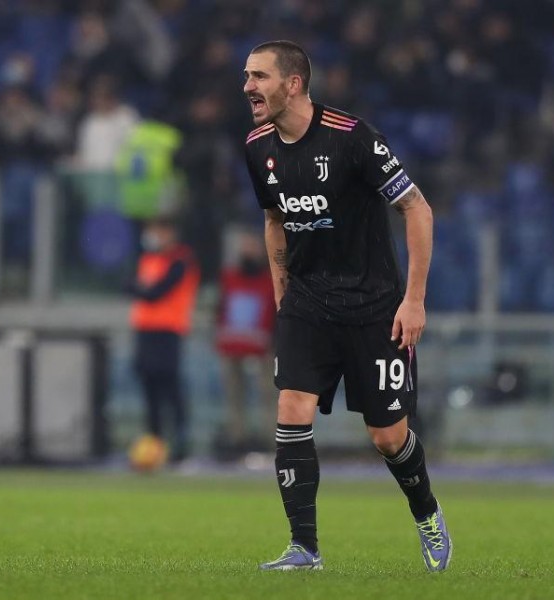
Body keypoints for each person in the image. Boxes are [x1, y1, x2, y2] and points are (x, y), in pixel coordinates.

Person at [243, 40, 451, 572]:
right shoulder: (258, 146)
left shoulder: (352, 137)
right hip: (308, 304)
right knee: (291, 410)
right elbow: (273, 221)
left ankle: (426, 512)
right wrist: (281, 295)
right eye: (247, 76)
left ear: (293, 83)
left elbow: (417, 208)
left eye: (260, 77)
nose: (248, 87)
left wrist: (415, 300)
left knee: (387, 436)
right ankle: (304, 548)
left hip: (375, 307)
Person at [129, 216, 200, 463]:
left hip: (169, 331)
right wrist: (141, 290)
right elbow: (133, 287)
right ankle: (155, 441)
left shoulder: (181, 260)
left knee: (170, 386)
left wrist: (141, 290)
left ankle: (180, 442)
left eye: (159, 231)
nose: (155, 236)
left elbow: (154, 292)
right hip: (145, 331)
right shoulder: (148, 259)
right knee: (149, 387)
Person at [214, 229, 277, 456]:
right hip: (232, 346)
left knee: (268, 396)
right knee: (234, 398)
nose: (247, 251)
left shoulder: (270, 278)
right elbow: (220, 308)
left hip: (263, 347)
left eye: (252, 246)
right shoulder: (229, 276)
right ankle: (237, 441)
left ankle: (272, 442)